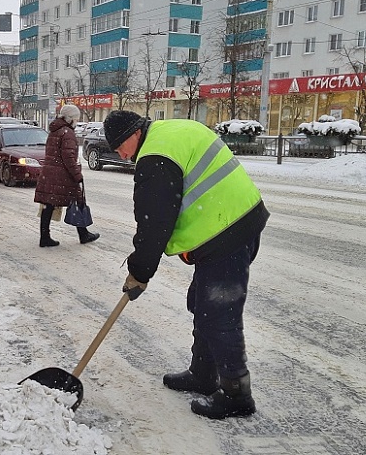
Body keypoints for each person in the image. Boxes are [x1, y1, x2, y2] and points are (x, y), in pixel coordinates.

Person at [103, 110, 270, 419]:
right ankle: (204, 374)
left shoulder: (154, 156)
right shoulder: (173, 131)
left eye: (119, 147)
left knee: (219, 312)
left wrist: (139, 272)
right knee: (203, 304)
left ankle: (236, 394)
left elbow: (154, 225)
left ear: (133, 134)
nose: (121, 155)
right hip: (237, 220)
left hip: (226, 231)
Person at [34, 104, 99, 247]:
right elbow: (68, 158)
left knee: (48, 204)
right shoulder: (67, 132)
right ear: (70, 118)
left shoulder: (54, 131)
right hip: (63, 175)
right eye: (76, 118)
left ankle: (45, 237)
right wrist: (77, 175)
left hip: (50, 173)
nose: (77, 121)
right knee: (78, 201)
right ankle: (83, 234)